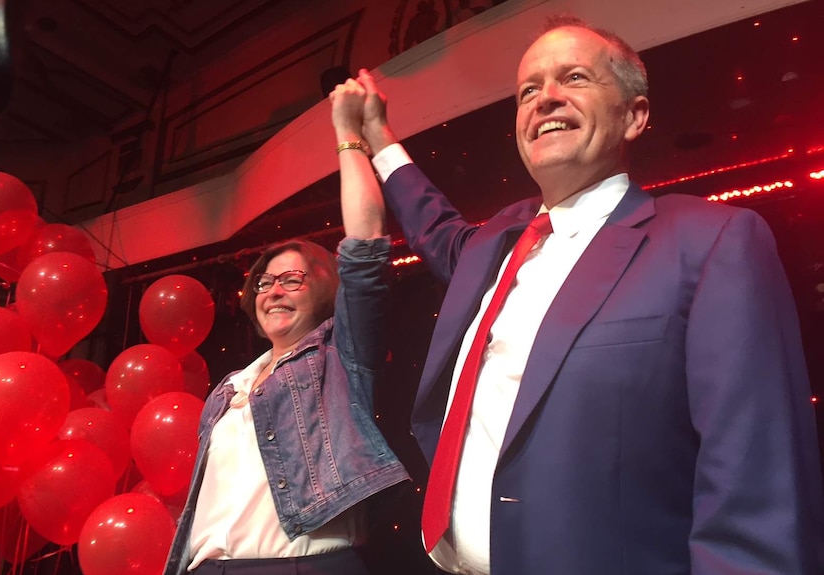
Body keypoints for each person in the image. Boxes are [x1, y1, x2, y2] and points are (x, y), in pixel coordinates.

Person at [338, 14, 824, 575]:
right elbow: (431, 222)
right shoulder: (496, 244)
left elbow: (755, 482)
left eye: (573, 78)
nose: (545, 98)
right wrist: (376, 136)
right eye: (527, 90)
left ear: (634, 115)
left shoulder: (709, 241)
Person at [161, 83, 410, 575]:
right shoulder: (228, 388)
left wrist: (347, 134)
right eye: (265, 283)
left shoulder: (339, 358)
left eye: (292, 279)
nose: (274, 290)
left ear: (324, 289)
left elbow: (364, 249)